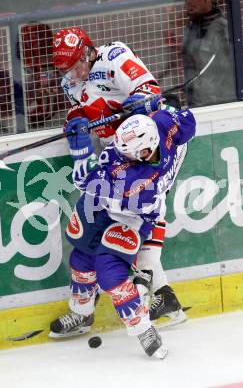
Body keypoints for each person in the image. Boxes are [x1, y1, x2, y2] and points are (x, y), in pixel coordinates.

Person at [52, 26, 187, 327]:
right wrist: (76, 127)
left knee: (144, 213)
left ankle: (152, 294)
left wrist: (136, 104)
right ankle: (164, 297)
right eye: (66, 69)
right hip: (120, 157)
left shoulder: (115, 56)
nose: (73, 73)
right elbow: (81, 115)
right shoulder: (70, 83)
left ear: (87, 51)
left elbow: (150, 91)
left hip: (155, 145)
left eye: (76, 64)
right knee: (105, 221)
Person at [49, 106, 196, 358]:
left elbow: (90, 181)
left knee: (111, 273)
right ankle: (82, 315)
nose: (124, 156)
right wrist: (150, 108)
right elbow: (187, 119)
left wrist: (81, 152)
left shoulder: (138, 174)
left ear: (145, 149)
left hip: (133, 217)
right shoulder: (158, 128)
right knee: (82, 258)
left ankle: (144, 329)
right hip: (101, 205)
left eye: (131, 154)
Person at [182, 0, 236, 107]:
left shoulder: (222, 28)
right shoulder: (191, 28)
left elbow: (232, 66)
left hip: (220, 104)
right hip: (196, 103)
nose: (189, 1)